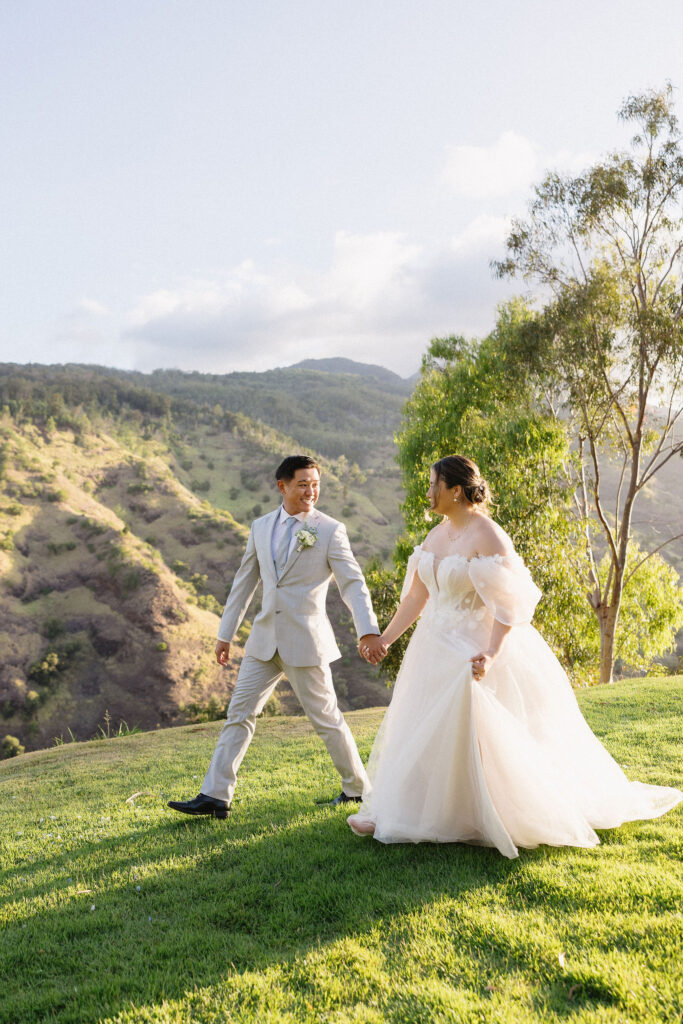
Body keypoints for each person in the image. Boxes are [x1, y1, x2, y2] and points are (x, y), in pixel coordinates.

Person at [347, 455, 682, 857]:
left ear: (456, 489)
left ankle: (489, 810)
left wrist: (490, 651)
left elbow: (508, 604)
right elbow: (418, 597)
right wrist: (385, 639)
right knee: (417, 724)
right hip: (431, 644)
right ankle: (394, 811)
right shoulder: (436, 535)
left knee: (470, 716)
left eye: (435, 483)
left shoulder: (487, 535)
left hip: (475, 644)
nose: (429, 491)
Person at [169, 454, 386, 820]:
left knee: (326, 718)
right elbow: (244, 583)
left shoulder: (330, 530)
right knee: (239, 713)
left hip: (306, 642)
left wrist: (368, 630)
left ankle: (358, 790)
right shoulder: (260, 527)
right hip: (263, 640)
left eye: (315, 484)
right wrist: (226, 635)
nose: (311, 491)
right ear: (282, 485)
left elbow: (353, 583)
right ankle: (215, 795)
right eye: (303, 484)